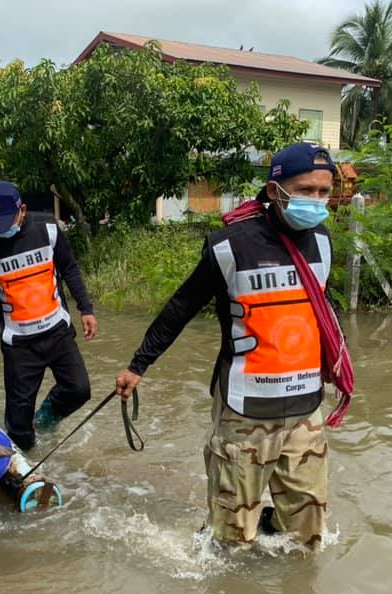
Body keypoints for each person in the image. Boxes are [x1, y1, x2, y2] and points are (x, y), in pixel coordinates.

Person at [114, 142, 347, 547]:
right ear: (275, 191)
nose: (316, 200)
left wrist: (337, 366)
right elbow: (181, 307)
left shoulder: (323, 242)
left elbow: (322, 312)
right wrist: (138, 366)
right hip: (244, 411)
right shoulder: (229, 246)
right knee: (232, 540)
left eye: (323, 192)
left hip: (305, 409)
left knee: (308, 537)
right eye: (305, 190)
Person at [0, 180, 97, 451]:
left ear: (22, 210)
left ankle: (44, 420)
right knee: (19, 428)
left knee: (79, 390)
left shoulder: (47, 228)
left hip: (57, 332)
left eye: (5, 222)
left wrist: (85, 308)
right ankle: (28, 461)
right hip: (19, 345)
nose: (1, 230)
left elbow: (69, 268)